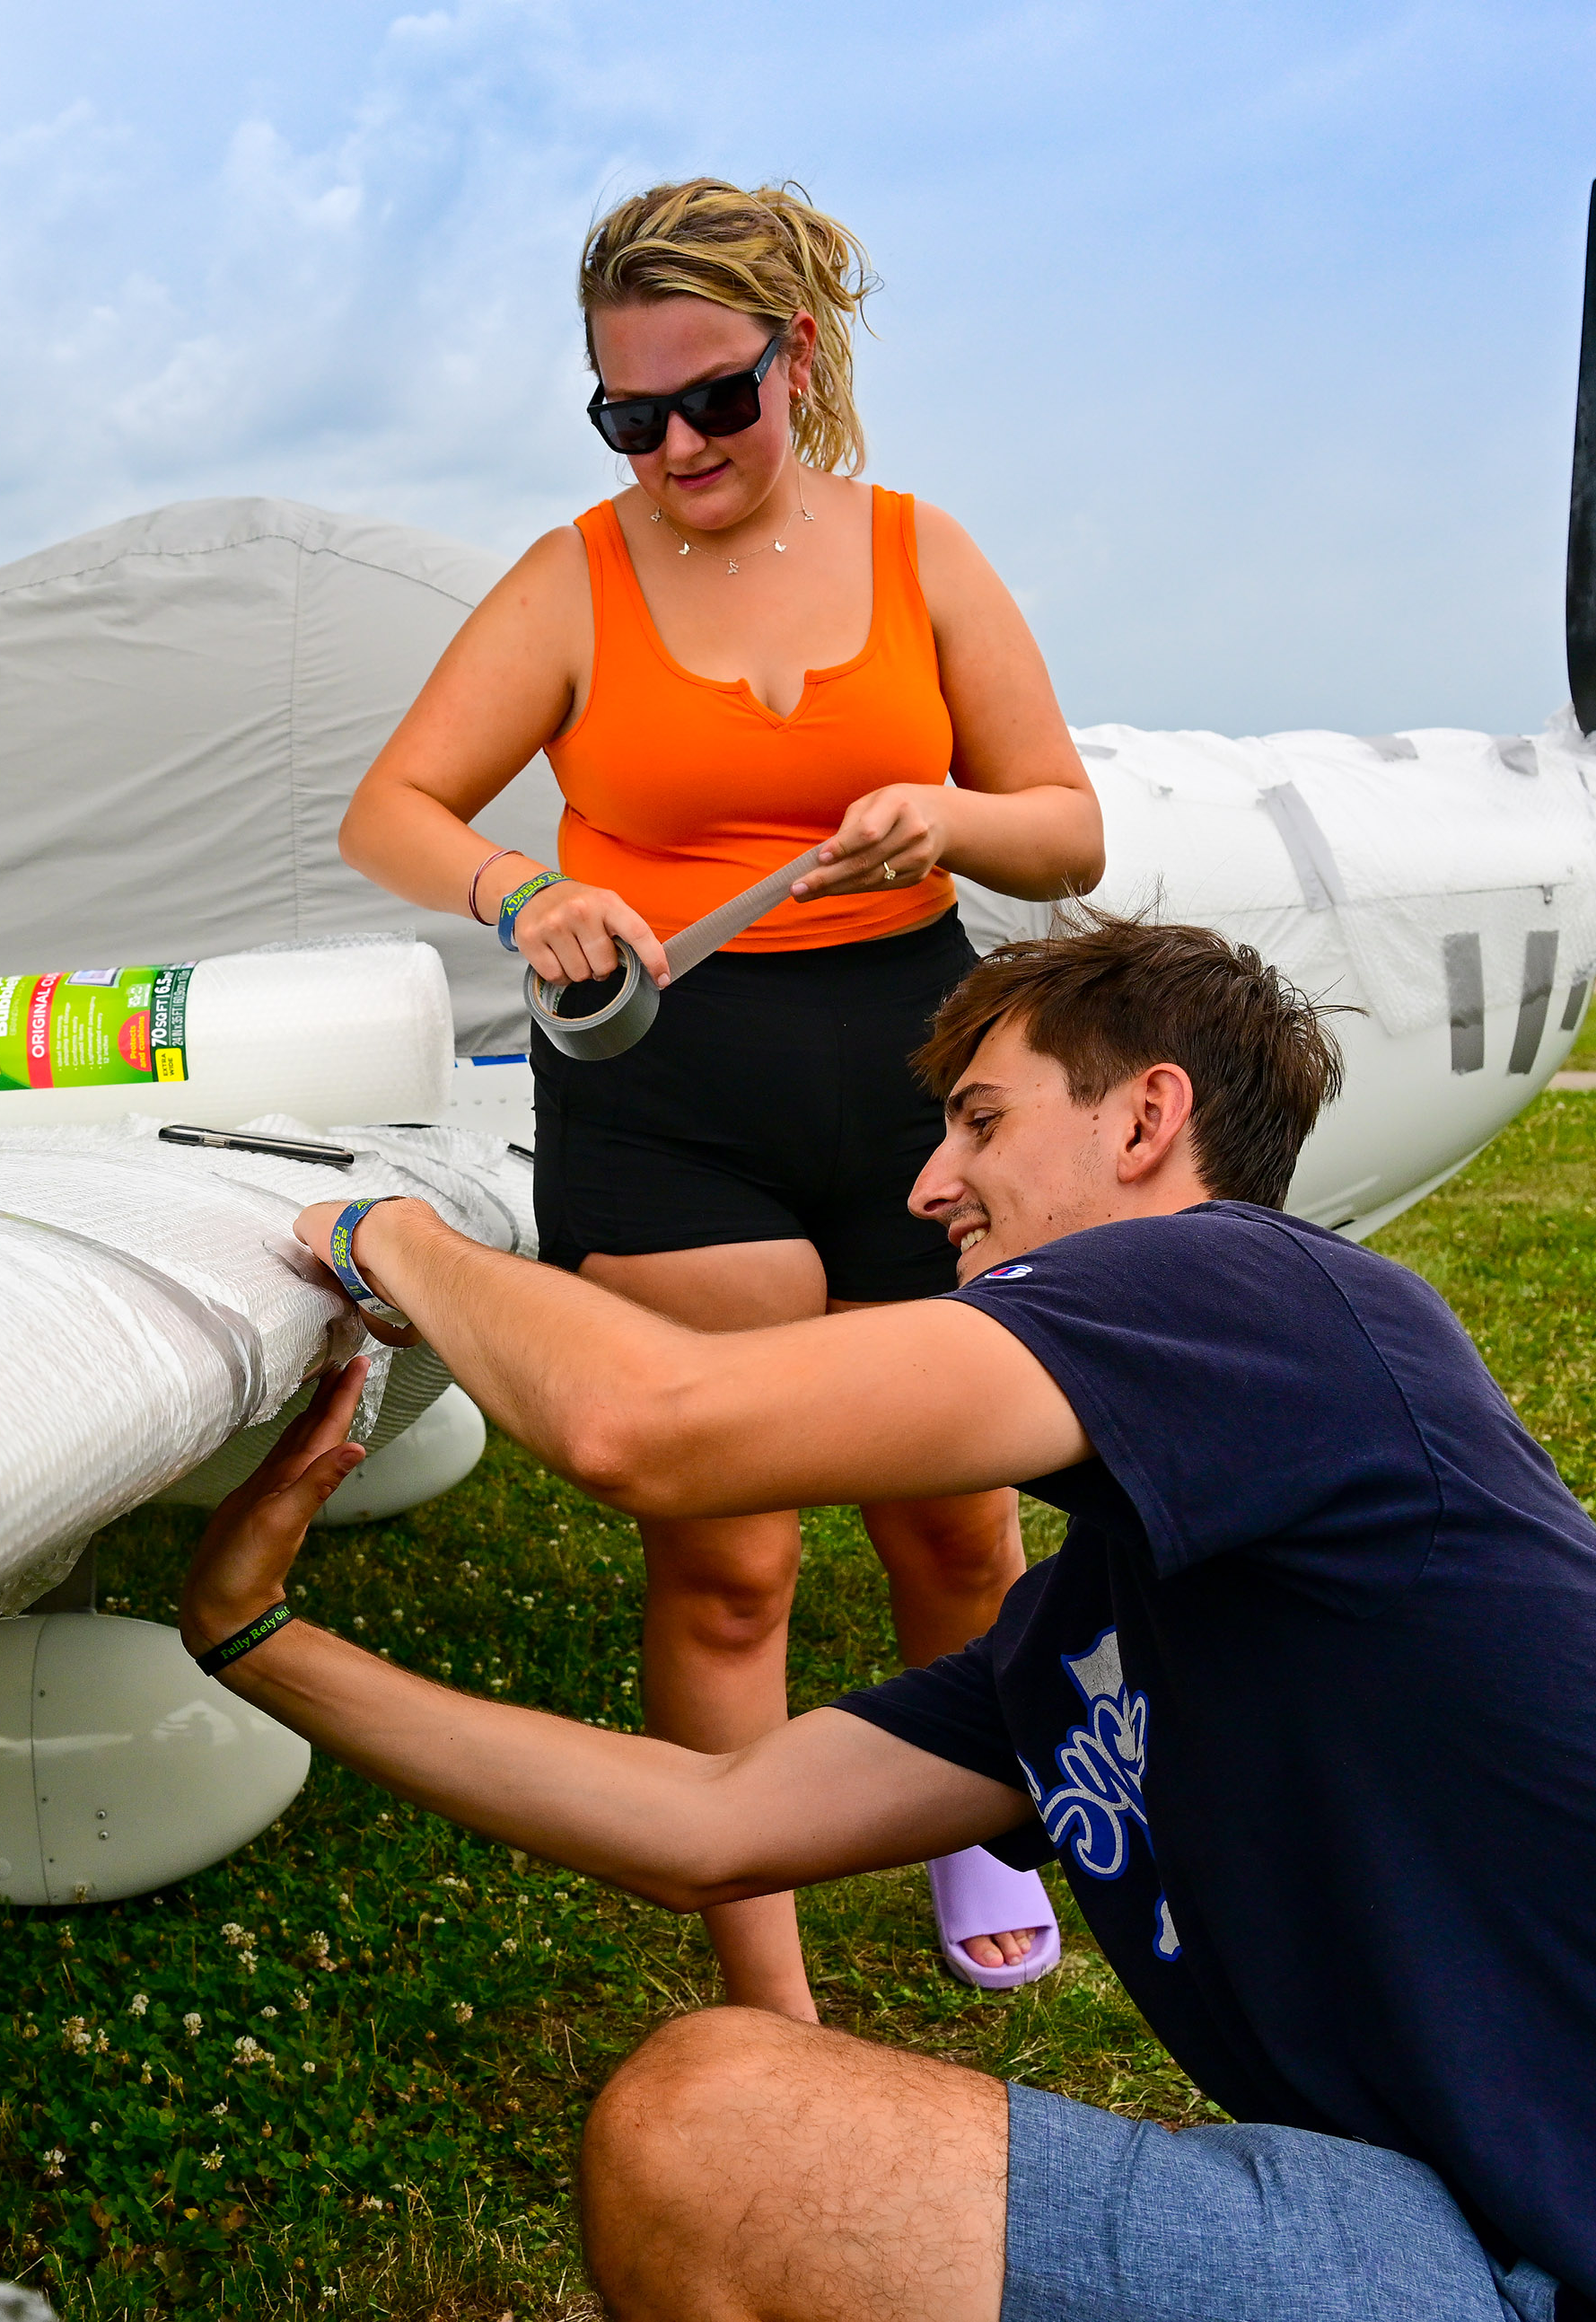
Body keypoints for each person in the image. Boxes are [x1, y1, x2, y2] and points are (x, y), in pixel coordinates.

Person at [189, 917, 1596, 2322]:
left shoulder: (1254, 1291)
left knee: (713, 2130)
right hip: (1440, 2229)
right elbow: (706, 1824)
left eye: (976, 1122)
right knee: (714, 2125)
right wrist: (256, 1644)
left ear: (1145, 1119)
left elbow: (654, 1429)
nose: (920, 1190)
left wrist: (384, 1230)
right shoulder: (1085, 1625)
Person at [339, 177, 1104, 2007]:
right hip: (664, 1087)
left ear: (799, 356)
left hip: (918, 1077)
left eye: (711, 399)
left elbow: (1065, 821)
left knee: (954, 1523)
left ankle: (969, 1832)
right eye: (626, 412)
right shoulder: (570, 579)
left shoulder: (918, 551)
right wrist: (521, 889)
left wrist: (948, 819)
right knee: (727, 1562)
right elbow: (391, 810)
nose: (671, 445)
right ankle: (764, 1983)